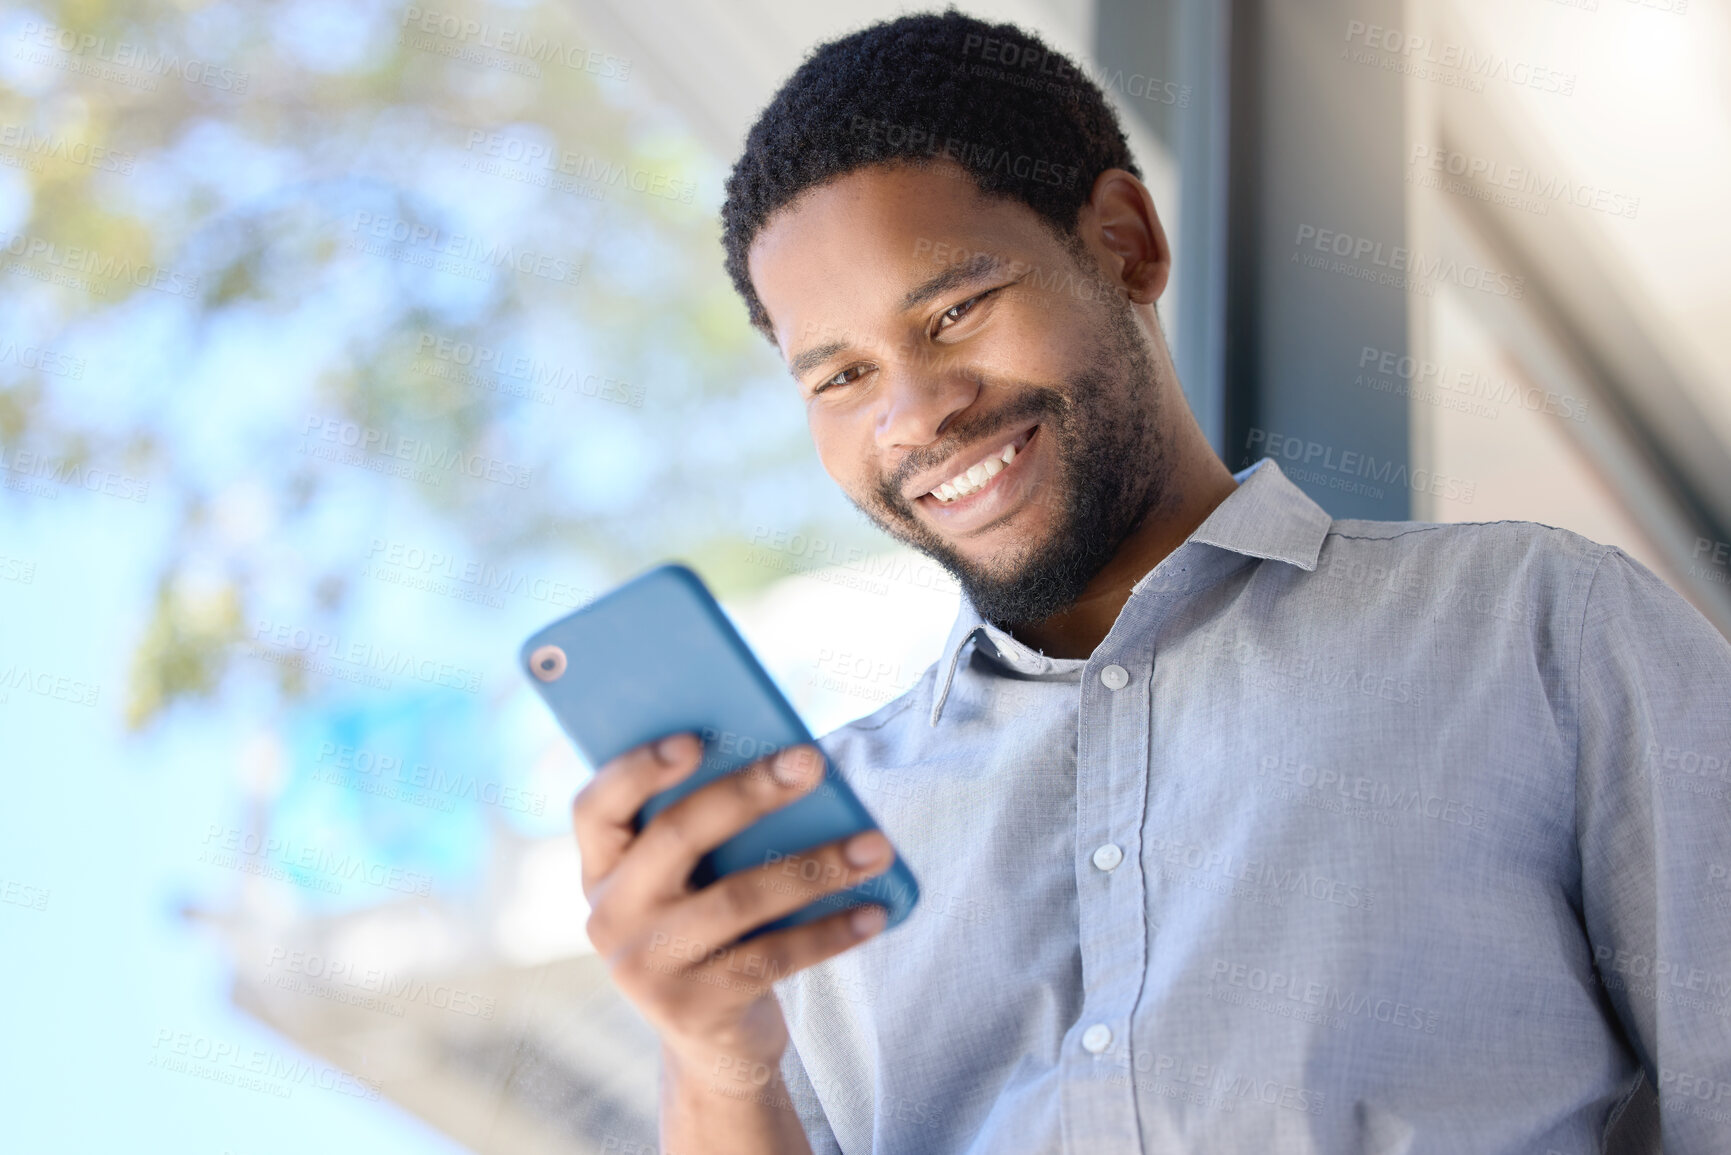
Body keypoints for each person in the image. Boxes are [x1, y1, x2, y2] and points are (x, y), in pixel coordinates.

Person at [570, 9, 1731, 1153]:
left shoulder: (1535, 628)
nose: (914, 416)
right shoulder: (830, 843)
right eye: (840, 376)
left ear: (1125, 243)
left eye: (956, 311)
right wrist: (719, 1070)